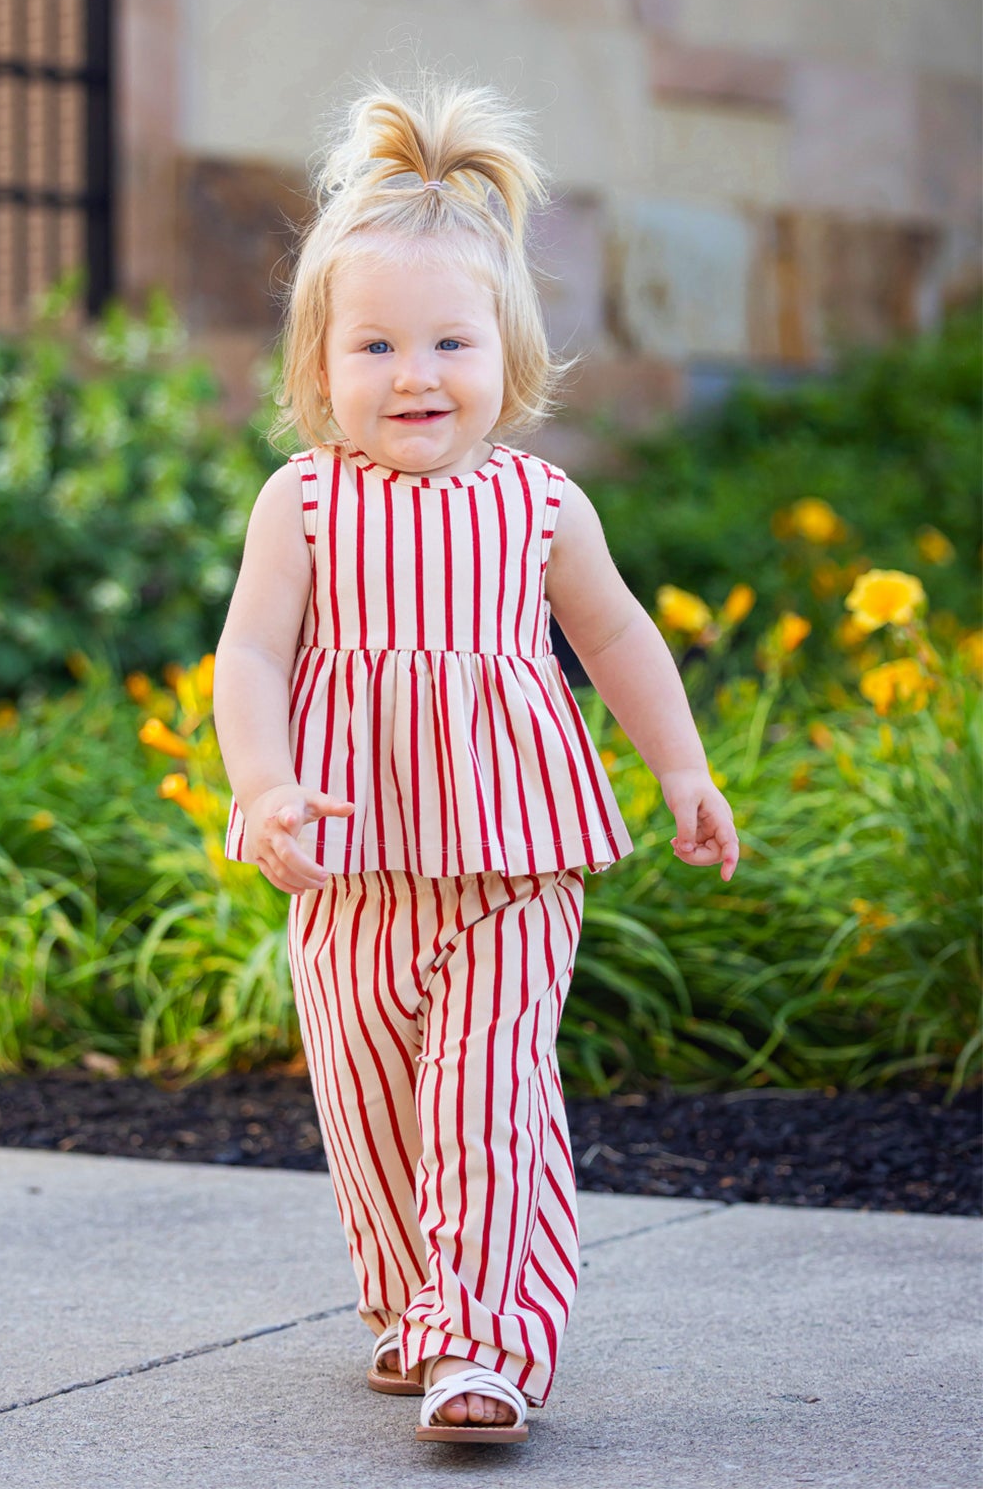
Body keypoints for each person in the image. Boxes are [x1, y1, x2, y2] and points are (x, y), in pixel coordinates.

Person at [212, 72, 739, 1445]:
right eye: (374, 347)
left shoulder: (541, 504)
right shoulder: (305, 502)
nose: (415, 376)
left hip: (513, 859)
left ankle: (489, 1341)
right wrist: (264, 789)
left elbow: (618, 642)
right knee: (373, 1101)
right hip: (352, 866)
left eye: (450, 344)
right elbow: (252, 658)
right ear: (318, 367)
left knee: (489, 1093)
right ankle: (414, 1302)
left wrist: (680, 769)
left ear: (510, 357)